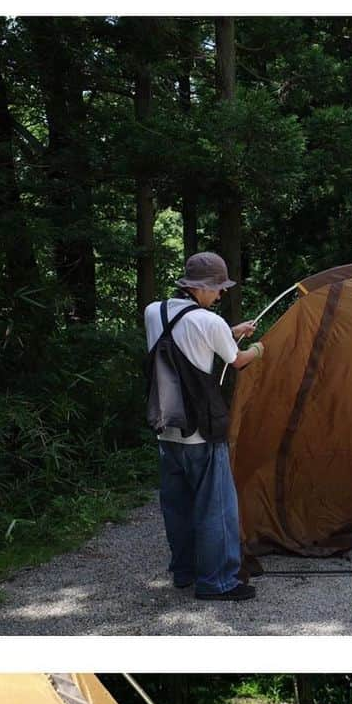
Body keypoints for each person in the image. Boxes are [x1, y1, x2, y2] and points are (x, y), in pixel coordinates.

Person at [144, 251, 262, 601]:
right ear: (201, 287)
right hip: (201, 430)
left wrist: (229, 330)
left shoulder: (154, 311)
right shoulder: (208, 323)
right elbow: (237, 361)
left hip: (166, 425)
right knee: (215, 507)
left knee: (177, 506)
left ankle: (184, 572)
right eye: (218, 289)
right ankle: (218, 583)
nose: (221, 295)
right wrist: (258, 348)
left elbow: (187, 334)